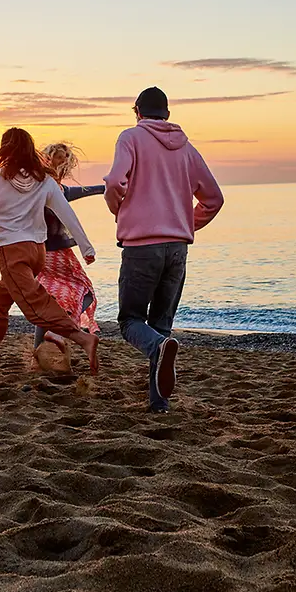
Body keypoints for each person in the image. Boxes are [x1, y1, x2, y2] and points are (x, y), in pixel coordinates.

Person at [103, 87, 224, 413]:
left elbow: (115, 182)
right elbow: (214, 198)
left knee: (130, 321)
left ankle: (158, 348)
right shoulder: (187, 148)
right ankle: (159, 404)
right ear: (167, 114)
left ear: (137, 112)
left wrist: (119, 210)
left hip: (142, 246)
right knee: (161, 325)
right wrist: (184, 223)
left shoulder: (130, 137)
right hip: (177, 248)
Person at [0, 128, 101, 375]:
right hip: (37, 252)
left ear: (4, 149)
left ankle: (82, 339)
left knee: (34, 304)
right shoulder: (45, 181)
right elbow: (67, 215)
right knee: (0, 295)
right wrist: (87, 248)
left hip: (12, 253)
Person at [31, 141, 105, 363]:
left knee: (45, 302)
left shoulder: (32, 188)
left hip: (36, 252)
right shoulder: (56, 190)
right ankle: (58, 330)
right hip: (58, 256)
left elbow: (87, 190)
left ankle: (38, 355)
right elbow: (87, 192)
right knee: (85, 291)